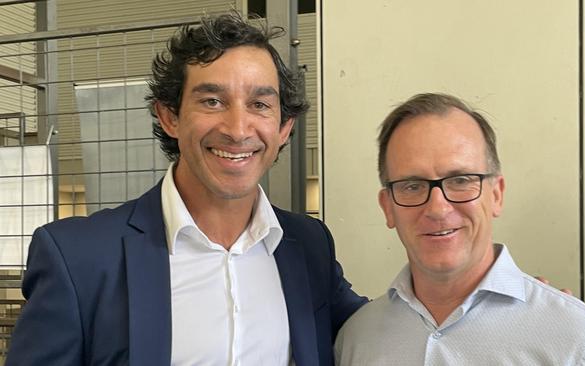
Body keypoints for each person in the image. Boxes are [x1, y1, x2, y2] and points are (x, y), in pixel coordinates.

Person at [6, 13, 366, 366]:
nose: (238, 130)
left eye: (260, 104)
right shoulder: (78, 257)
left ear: (284, 128)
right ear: (170, 117)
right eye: (212, 101)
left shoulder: (308, 246)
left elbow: (377, 330)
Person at [334, 93, 585, 365]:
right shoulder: (356, 340)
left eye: (461, 180)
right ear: (388, 206)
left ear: (496, 194)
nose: (438, 208)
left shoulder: (583, 345)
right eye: (412, 186)